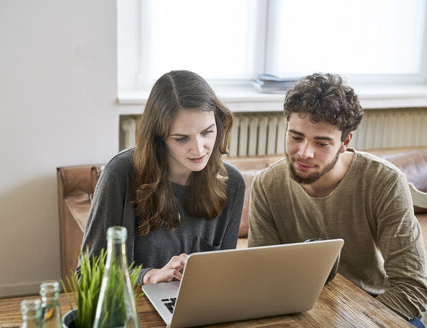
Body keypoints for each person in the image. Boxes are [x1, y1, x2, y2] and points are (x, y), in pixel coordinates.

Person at [248, 73, 427, 326]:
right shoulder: (267, 184)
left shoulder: (384, 181)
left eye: (321, 143)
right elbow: (261, 276)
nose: (304, 153)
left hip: (375, 308)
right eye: (296, 137)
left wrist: (356, 322)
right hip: (301, 313)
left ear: (345, 142)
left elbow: (412, 288)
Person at [81, 70, 245, 285]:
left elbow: (224, 275)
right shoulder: (120, 174)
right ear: (159, 138)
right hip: (136, 310)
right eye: (181, 138)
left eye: (207, 132)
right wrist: (149, 276)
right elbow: (87, 275)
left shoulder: (232, 183)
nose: (198, 149)